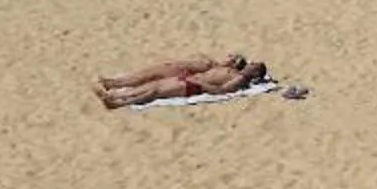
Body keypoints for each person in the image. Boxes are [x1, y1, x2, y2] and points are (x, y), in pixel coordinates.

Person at [96, 53, 268, 109]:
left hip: (194, 86)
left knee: (155, 92)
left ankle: (118, 103)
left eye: (254, 66)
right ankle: (114, 93)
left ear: (255, 74)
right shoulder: (231, 70)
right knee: (154, 85)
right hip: (190, 79)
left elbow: (220, 91)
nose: (250, 64)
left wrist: (200, 84)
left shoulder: (238, 79)